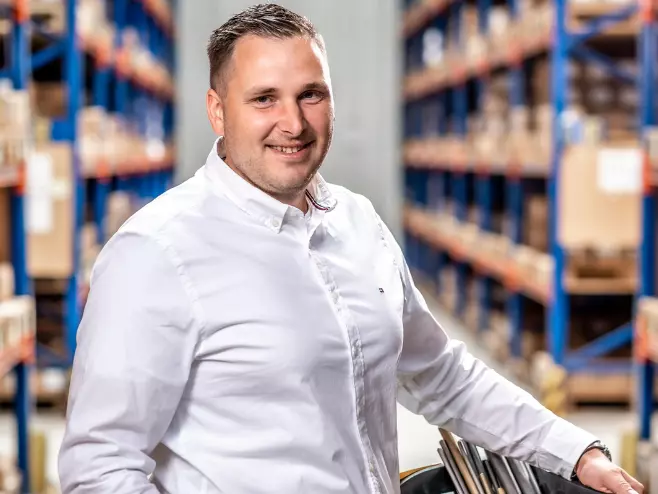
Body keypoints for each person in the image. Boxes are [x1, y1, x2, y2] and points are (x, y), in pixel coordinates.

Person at [58, 4, 643, 494]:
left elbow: (440, 375)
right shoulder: (156, 252)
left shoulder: (357, 222)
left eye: (311, 94)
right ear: (218, 110)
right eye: (264, 99)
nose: (293, 122)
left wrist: (576, 453)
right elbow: (101, 466)